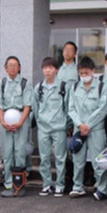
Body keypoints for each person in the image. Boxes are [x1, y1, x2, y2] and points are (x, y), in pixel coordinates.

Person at [68, 56, 107, 199]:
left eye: (86, 72)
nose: (84, 76)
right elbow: (71, 108)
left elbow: (102, 109)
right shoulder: (74, 87)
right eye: (81, 73)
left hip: (95, 129)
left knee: (98, 160)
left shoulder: (102, 87)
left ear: (93, 71)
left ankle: (102, 188)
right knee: (78, 160)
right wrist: (80, 124)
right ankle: (77, 187)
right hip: (79, 129)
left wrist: (88, 125)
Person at [0, 55, 32, 198]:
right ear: (5, 68)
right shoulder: (1, 84)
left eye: (15, 65)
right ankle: (9, 183)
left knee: (20, 152)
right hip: (5, 123)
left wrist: (21, 122)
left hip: (20, 122)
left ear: (19, 67)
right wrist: (3, 122)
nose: (12, 67)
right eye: (9, 65)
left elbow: (27, 105)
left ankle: (20, 184)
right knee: (7, 153)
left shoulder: (25, 83)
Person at [33, 57, 69, 197]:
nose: (47, 70)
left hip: (59, 127)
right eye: (45, 68)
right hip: (43, 127)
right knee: (44, 157)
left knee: (60, 158)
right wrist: (40, 121)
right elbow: (36, 107)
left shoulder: (63, 87)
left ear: (56, 70)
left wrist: (65, 124)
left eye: (50, 67)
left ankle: (60, 185)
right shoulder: (39, 87)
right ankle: (47, 184)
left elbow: (67, 108)